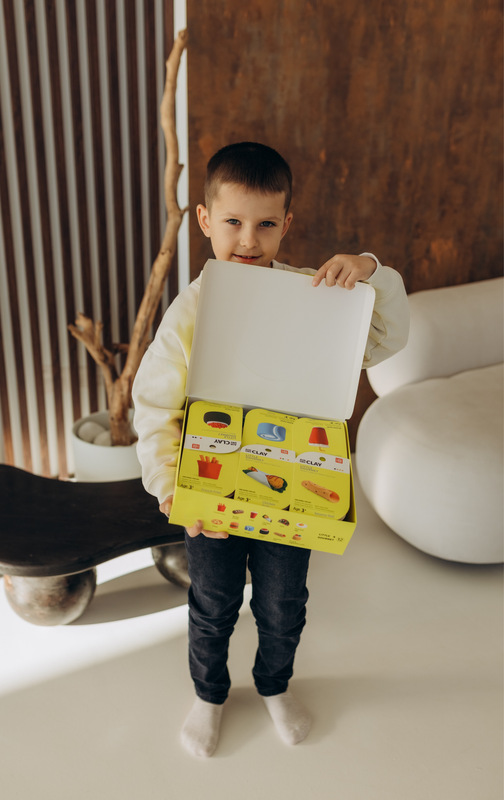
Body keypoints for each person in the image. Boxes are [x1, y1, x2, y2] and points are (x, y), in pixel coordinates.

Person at [133, 142, 409, 757]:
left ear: (288, 223)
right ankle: (209, 694)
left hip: (294, 489)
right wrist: (172, 488)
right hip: (208, 491)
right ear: (205, 222)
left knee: (284, 601)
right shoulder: (189, 313)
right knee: (213, 602)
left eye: (264, 224)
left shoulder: (314, 293)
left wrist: (371, 268)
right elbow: (154, 409)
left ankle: (274, 684)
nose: (248, 240)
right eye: (232, 222)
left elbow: (385, 340)